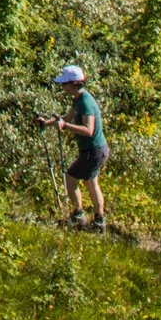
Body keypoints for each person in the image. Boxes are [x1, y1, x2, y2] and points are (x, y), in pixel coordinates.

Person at [37, 64, 107, 230]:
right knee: (91, 183)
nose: (62, 87)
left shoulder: (86, 102)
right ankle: (98, 221)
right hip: (94, 150)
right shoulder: (78, 100)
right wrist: (46, 123)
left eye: (64, 83)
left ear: (74, 84)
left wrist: (66, 127)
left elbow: (89, 130)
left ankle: (79, 215)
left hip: (93, 150)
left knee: (70, 178)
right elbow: (66, 118)